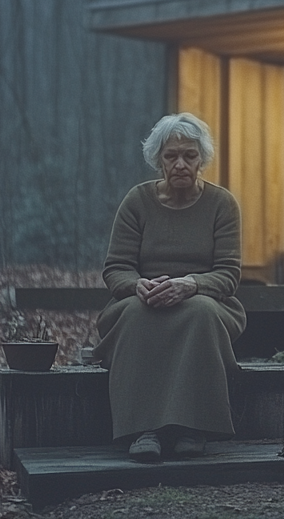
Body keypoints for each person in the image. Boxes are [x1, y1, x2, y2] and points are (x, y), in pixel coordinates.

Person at [92, 113, 247, 463]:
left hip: (206, 299)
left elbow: (228, 274)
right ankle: (143, 430)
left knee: (200, 313)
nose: (180, 164)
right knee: (136, 314)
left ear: (201, 159)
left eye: (189, 156)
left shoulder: (222, 204)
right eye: (171, 156)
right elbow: (116, 268)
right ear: (158, 159)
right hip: (143, 298)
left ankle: (193, 428)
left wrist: (191, 284)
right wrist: (138, 286)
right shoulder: (137, 201)